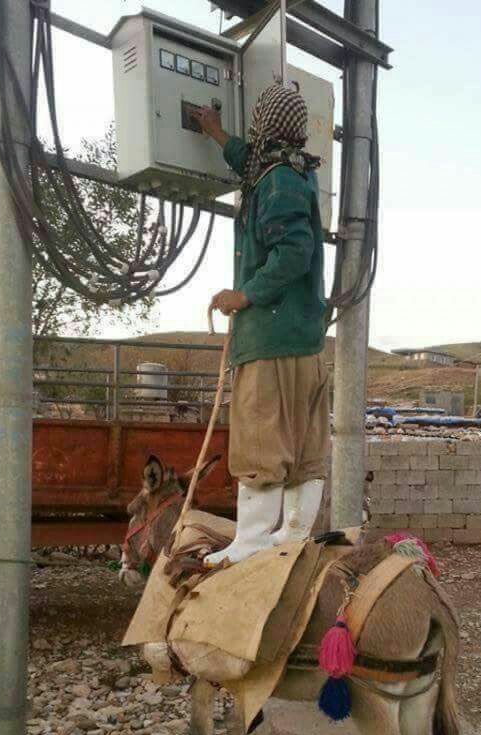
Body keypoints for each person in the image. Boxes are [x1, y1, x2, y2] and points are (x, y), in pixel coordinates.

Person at [193, 83, 329, 567]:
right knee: (304, 446)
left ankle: (251, 540)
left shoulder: (275, 182)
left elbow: (294, 251)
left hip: (270, 340)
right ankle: (291, 536)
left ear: (264, 125)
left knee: (261, 441)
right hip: (306, 341)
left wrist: (244, 294)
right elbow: (247, 159)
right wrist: (215, 134)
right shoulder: (294, 172)